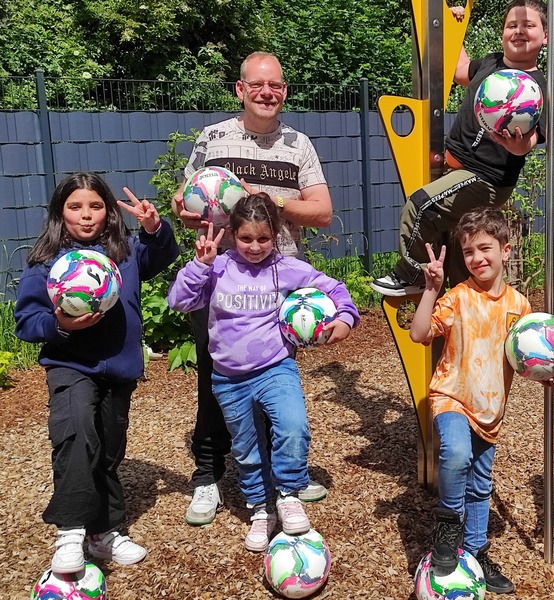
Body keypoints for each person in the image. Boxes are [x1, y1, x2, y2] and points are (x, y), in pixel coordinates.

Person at [171, 51, 334, 526]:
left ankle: (283, 479)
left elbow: (322, 211)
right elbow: (184, 202)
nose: (267, 93)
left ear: (284, 91)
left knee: (275, 381)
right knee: (216, 378)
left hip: (279, 282)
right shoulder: (213, 138)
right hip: (221, 279)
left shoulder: (298, 144)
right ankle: (207, 474)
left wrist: (267, 199)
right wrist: (189, 207)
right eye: (257, 85)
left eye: (276, 85)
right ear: (240, 89)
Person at [167, 193, 359, 551]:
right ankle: (260, 509)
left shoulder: (286, 268)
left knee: (293, 428)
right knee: (246, 448)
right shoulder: (218, 267)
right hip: (228, 378)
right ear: (231, 234)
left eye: (263, 238)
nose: (254, 247)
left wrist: (346, 317)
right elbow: (179, 300)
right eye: (246, 238)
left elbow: (333, 287)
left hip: (275, 369)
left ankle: (288, 494)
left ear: (277, 235)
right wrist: (199, 265)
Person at [14, 172, 179, 574]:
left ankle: (102, 532)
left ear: (108, 211)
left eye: (95, 206)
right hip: (70, 365)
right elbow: (27, 321)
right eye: (75, 207)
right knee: (75, 435)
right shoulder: (48, 262)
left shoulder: (127, 252)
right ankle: (70, 532)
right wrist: (59, 325)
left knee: (107, 450)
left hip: (119, 369)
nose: (86, 215)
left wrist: (155, 229)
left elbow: (163, 255)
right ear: (61, 213)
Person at [409, 206, 554, 594]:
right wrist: (430, 290)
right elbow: (419, 333)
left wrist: (549, 372)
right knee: (456, 454)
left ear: (506, 250)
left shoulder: (520, 306)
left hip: (491, 410)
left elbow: (526, 359)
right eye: (468, 252)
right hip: (452, 396)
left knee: (480, 487)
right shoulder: (457, 297)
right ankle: (447, 530)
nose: (477, 258)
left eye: (484, 248)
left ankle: (477, 552)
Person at [371, 0, 547, 297]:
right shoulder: (490, 63)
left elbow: (531, 140)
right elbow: (459, 68)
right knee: (456, 257)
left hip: (484, 179)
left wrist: (518, 145)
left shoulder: (536, 86)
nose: (518, 31)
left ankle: (412, 272)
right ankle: (459, 311)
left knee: (420, 206)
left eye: (528, 25)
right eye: (512, 25)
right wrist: (450, 26)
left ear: (544, 37)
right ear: (502, 32)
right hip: (456, 170)